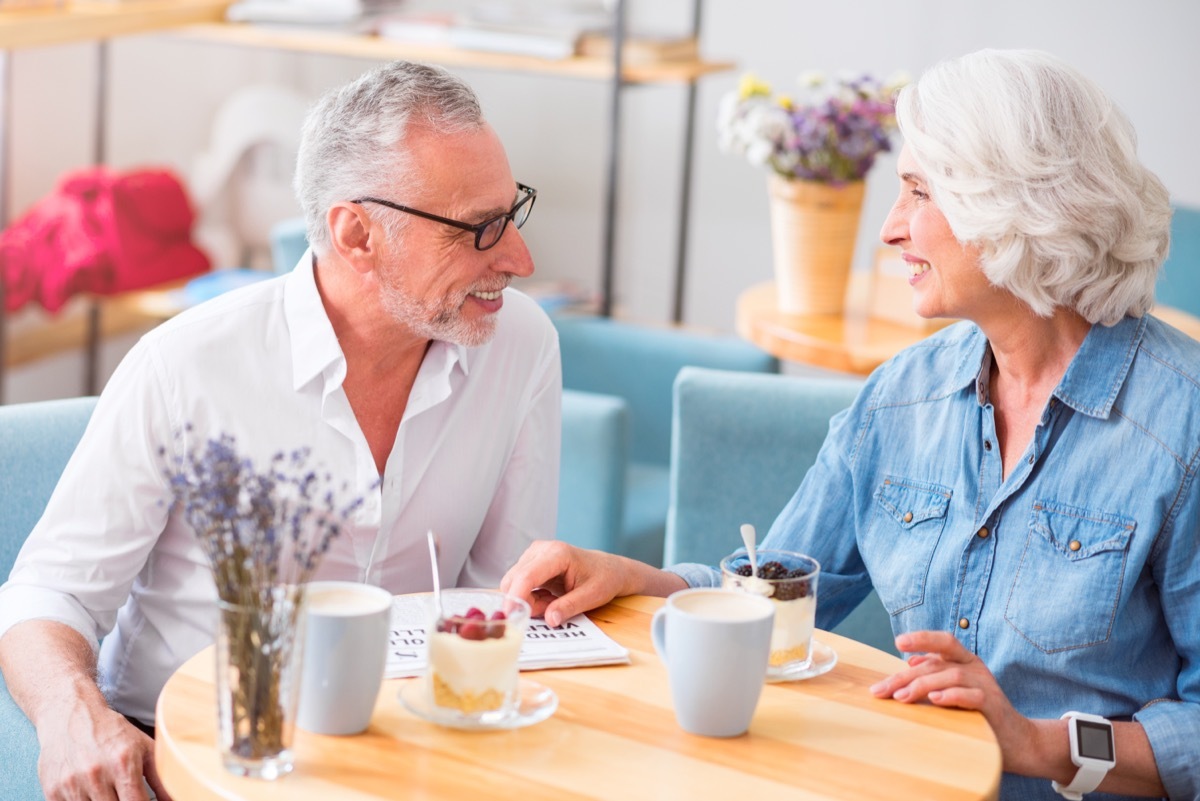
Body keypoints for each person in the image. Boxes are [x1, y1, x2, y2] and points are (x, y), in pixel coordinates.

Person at [502, 49, 1198, 800]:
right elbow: (777, 589)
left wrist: (1038, 744)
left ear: (1016, 207)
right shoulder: (902, 395)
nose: (891, 230)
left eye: (918, 192)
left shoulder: (1180, 426)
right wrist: (638, 578)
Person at [0, 61, 561, 801]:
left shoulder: (519, 344)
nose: (519, 261)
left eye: (511, 214)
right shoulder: (184, 364)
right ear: (357, 233)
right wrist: (75, 719)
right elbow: (48, 591)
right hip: (186, 757)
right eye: (479, 231)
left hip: (405, 752)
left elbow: (501, 593)